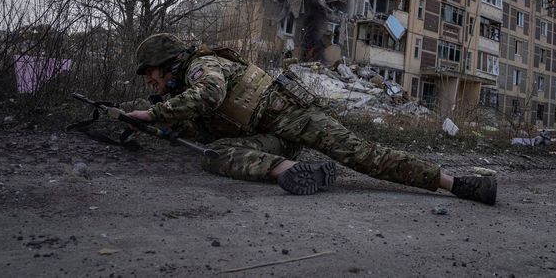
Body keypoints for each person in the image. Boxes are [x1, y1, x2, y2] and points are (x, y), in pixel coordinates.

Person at [123, 33, 497, 205]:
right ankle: (288, 170)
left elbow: (210, 94)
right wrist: (150, 121)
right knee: (214, 153)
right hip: (273, 139)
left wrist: (153, 112)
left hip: (297, 119)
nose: (152, 81)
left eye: (151, 73)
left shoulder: (200, 67)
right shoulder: (182, 83)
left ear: (168, 63)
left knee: (365, 156)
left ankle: (458, 184)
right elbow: (201, 123)